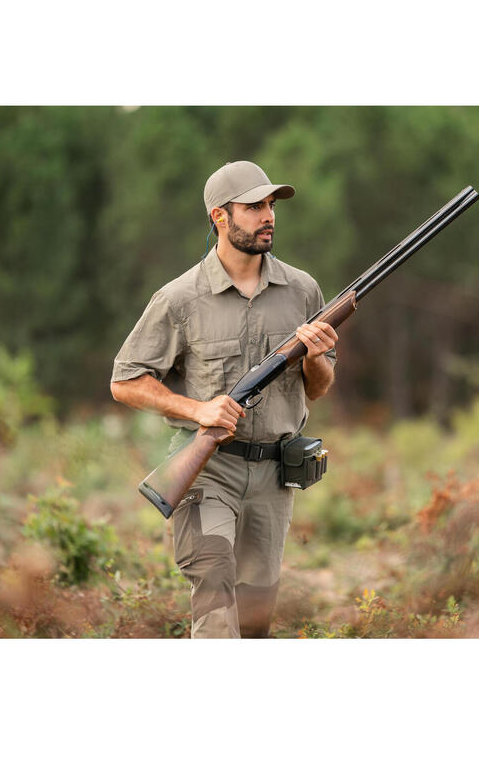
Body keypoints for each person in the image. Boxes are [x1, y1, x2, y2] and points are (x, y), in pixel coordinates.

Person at [110, 160, 338, 638]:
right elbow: (125, 381)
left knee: (254, 623)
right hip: (209, 470)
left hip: (275, 475)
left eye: (271, 205)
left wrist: (315, 357)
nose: (268, 215)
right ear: (219, 216)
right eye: (253, 207)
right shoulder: (179, 299)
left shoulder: (303, 290)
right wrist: (198, 410)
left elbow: (318, 388)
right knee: (215, 596)